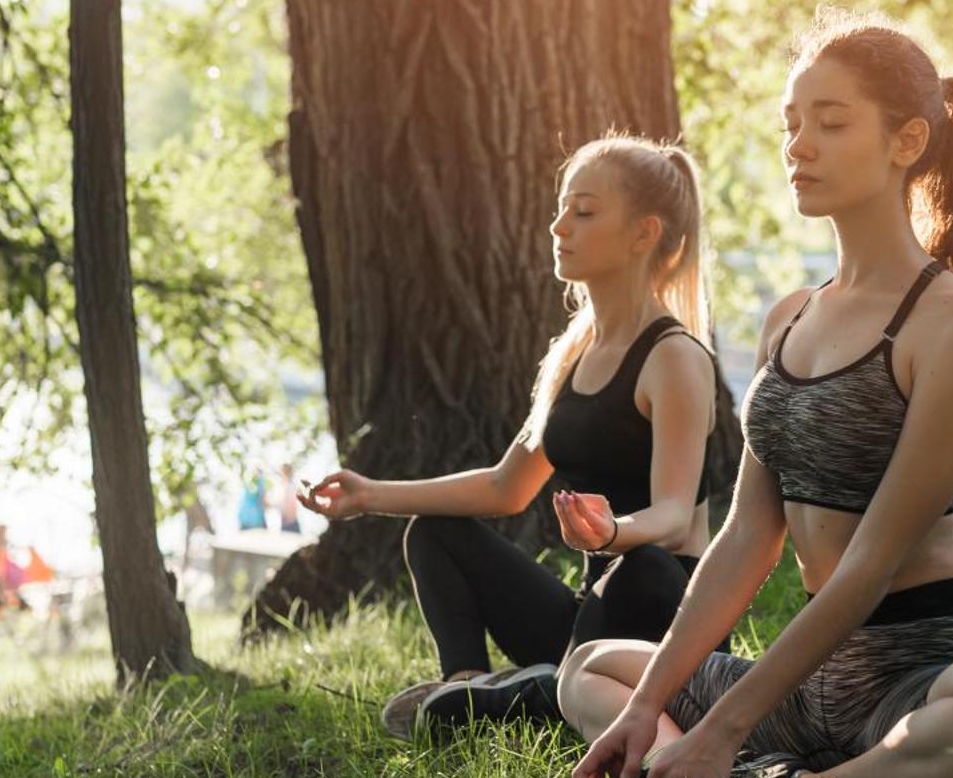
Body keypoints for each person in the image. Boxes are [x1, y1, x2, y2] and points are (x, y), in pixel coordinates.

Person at [559, 11, 953, 778]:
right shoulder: (789, 318)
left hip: (922, 664)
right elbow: (744, 538)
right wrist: (649, 709)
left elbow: (872, 560)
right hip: (809, 671)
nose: (797, 146)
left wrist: (725, 726)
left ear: (906, 141)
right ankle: (685, 773)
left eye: (830, 122)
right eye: (790, 123)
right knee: (591, 668)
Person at [299, 135, 720, 738]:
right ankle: (470, 691)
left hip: (661, 621)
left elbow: (677, 519)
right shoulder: (576, 351)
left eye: (584, 211)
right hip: (588, 620)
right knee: (438, 533)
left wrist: (613, 534)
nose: (558, 226)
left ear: (643, 233)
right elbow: (505, 488)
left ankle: (528, 696)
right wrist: (371, 495)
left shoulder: (674, 357)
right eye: (561, 208)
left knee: (644, 564)